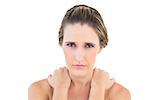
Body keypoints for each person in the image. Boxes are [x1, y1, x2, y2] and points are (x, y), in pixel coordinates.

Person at [28, 4, 131, 100]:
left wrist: (98, 88)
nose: (79, 57)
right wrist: (61, 87)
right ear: (61, 44)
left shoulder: (119, 94)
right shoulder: (40, 90)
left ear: (101, 46)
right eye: (71, 45)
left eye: (88, 45)